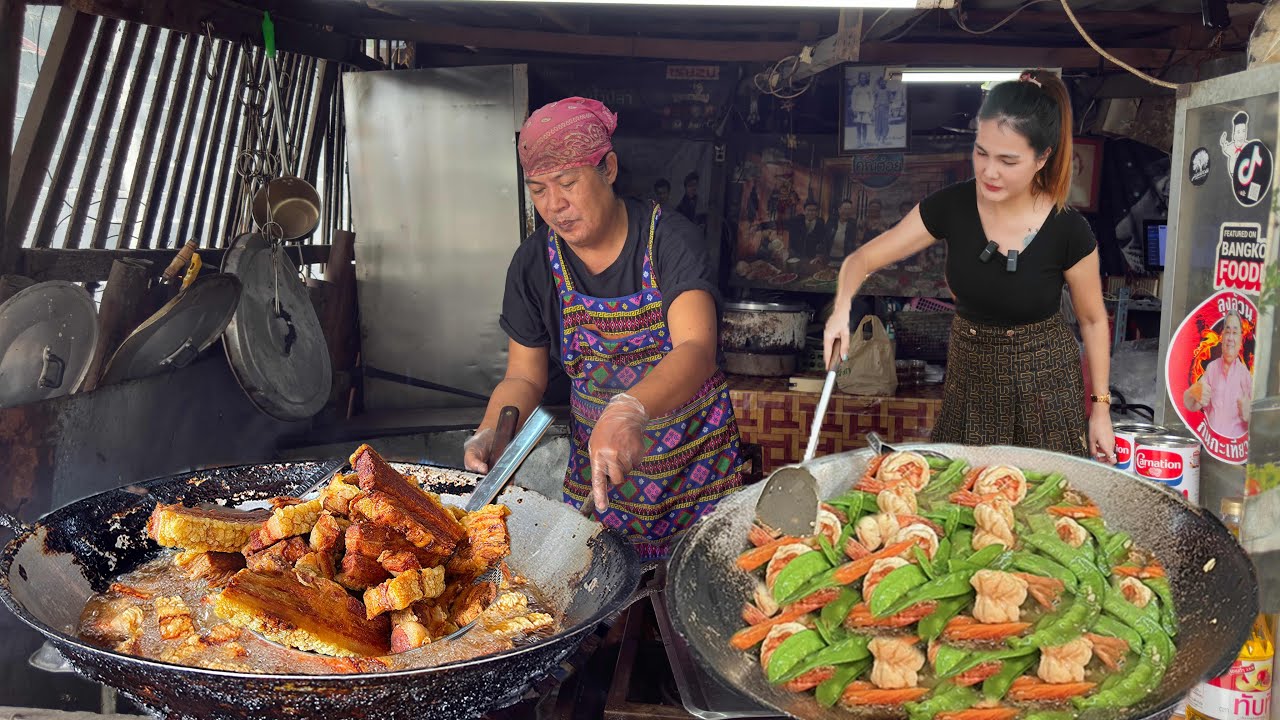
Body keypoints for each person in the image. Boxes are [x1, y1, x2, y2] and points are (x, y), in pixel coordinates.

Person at [463, 98, 745, 560]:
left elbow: (696, 347)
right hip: (602, 478)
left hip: (696, 470)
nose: (554, 205)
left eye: (568, 183)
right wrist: (491, 428)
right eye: (537, 190)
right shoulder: (534, 264)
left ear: (608, 168)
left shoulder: (668, 240)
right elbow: (524, 377)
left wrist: (630, 408)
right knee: (594, 597)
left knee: (698, 594)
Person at [824, 69, 1116, 462]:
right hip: (971, 377)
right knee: (963, 492)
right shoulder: (952, 206)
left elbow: (1094, 321)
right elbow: (862, 259)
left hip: (1045, 384)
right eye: (981, 152)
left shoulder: (1069, 229)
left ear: (1042, 158)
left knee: (1044, 506)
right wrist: (841, 309)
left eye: (1008, 160)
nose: (989, 171)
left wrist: (1100, 409)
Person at [1183, 312, 1251, 437]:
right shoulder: (1212, 368)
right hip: (1213, 445)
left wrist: (1251, 414)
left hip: (1235, 451)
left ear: (1241, 339)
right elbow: (1191, 405)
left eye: (1235, 333)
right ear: (1222, 336)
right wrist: (1193, 392)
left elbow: (1266, 424)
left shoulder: (1246, 376)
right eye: (1227, 331)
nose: (1230, 338)